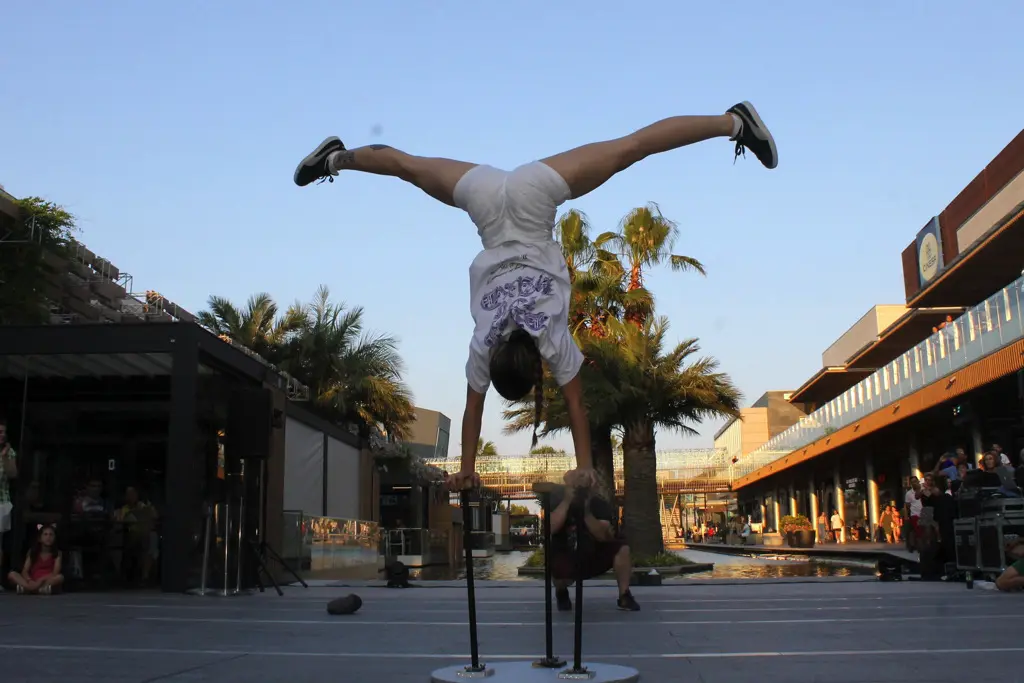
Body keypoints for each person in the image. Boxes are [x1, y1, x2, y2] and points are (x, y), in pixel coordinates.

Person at [293, 105, 778, 491]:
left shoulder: (553, 340)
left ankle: (733, 122)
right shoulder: (483, 345)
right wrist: (466, 467)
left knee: (631, 148)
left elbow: (578, 409)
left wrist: (585, 467)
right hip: (485, 200)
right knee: (408, 167)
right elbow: (472, 410)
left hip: (533, 198)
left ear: (535, 371)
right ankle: (336, 157)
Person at [545, 484, 640, 612]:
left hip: (593, 554)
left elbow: (602, 535)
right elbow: (550, 528)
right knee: (557, 566)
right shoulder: (557, 503)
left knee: (622, 549)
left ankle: (624, 595)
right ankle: (561, 591)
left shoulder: (599, 505)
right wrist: (567, 501)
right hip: (567, 555)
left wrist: (586, 512)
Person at [7, 524, 63, 594]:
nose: (48, 537)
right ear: (40, 538)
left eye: (51, 535)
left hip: (46, 580)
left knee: (60, 577)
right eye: (45, 534)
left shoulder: (57, 553)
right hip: (32, 580)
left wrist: (40, 581)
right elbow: (25, 571)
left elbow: (55, 573)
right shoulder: (32, 551)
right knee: (12, 574)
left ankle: (27, 589)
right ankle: (35, 589)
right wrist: (29, 580)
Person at [0, 418, 16, 585]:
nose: (2, 435)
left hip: (1, 502)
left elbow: (12, 474)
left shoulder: (9, 452)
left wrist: (4, 457)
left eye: (4, 432)